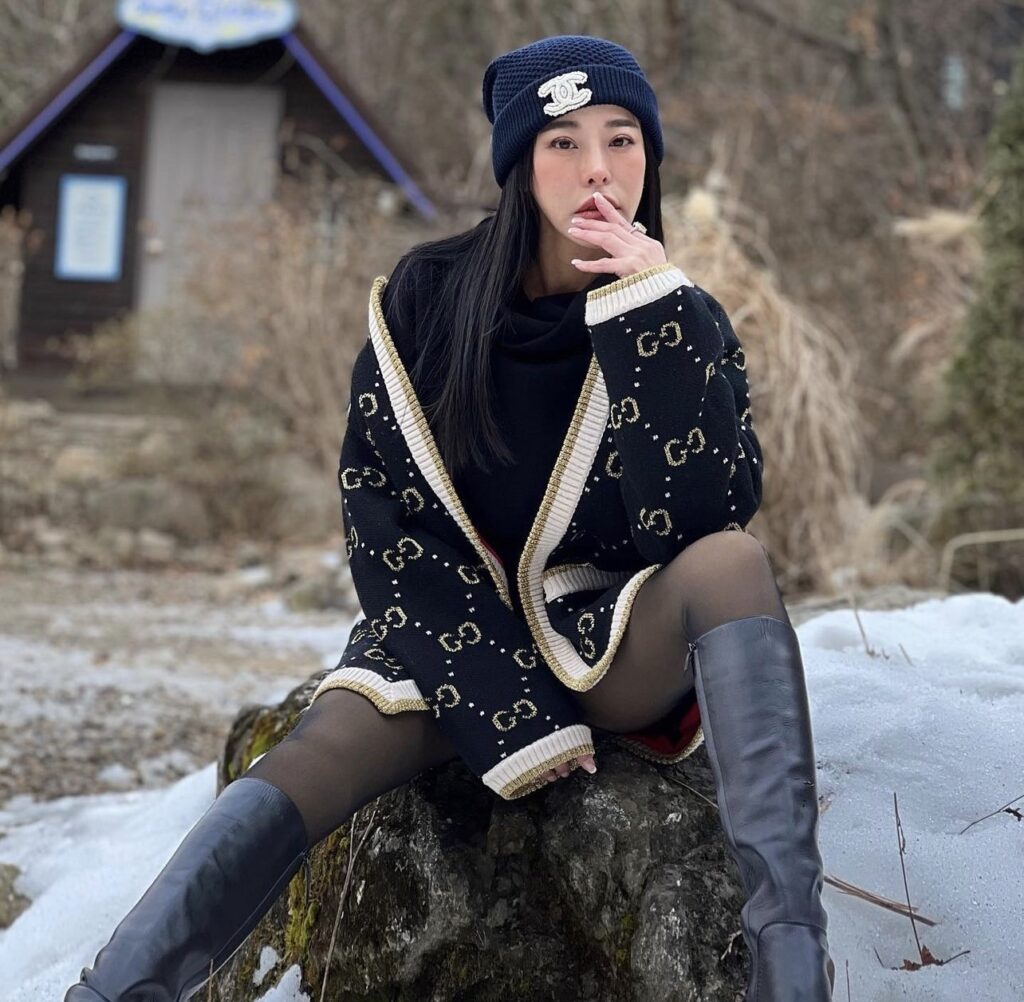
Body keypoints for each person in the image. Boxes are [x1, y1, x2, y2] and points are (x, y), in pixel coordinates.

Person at [64, 34, 834, 1002]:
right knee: (321, 749)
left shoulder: (683, 316)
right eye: (562, 143)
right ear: (520, 165)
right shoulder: (427, 299)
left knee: (733, 563)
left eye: (621, 139)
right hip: (444, 636)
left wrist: (648, 313)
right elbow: (379, 521)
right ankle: (113, 991)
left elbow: (701, 520)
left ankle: (792, 968)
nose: (598, 169)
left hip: (602, 640)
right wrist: (510, 710)